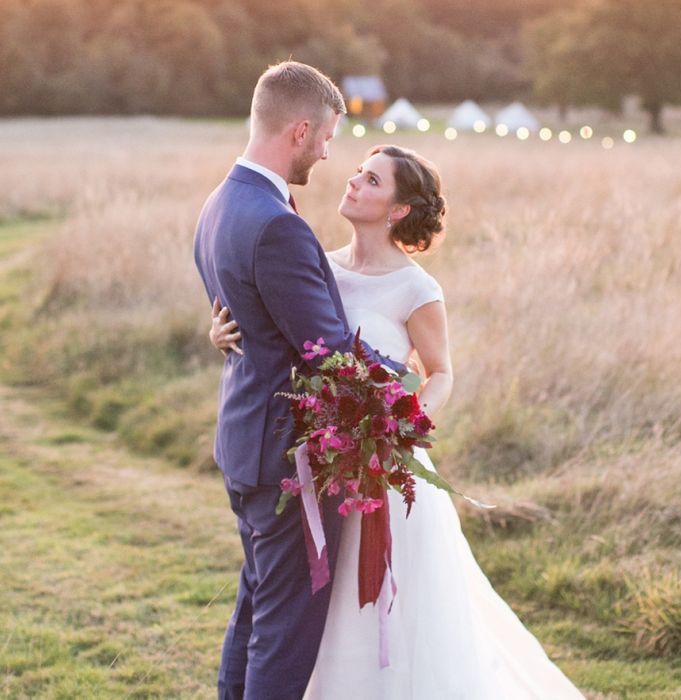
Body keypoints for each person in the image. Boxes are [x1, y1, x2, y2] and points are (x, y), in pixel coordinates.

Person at [211, 144, 585, 699]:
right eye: (358, 172)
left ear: (398, 210)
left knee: (396, 610)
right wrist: (219, 336)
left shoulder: (416, 289)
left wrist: (399, 429)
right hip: (316, 466)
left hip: (382, 470)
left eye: (372, 180)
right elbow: (277, 332)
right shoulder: (317, 263)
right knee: (310, 606)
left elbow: (440, 374)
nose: (354, 182)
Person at [193, 62, 405, 700]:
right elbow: (327, 351)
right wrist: (403, 384)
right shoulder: (277, 223)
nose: (327, 152)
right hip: (288, 457)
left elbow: (250, 315)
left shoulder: (223, 201)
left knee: (257, 611)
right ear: (301, 129)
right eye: (328, 138)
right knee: (286, 634)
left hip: (242, 441)